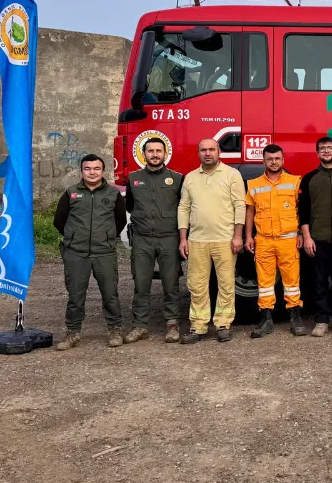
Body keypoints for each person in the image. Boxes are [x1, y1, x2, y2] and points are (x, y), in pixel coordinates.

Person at [52, 154, 127, 350]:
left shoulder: (113, 194)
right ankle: (72, 332)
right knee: (75, 295)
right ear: (81, 171)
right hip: (76, 253)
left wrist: (106, 237)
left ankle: (115, 330)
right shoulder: (71, 193)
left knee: (110, 293)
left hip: (104, 252)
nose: (92, 172)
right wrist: (76, 237)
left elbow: (120, 221)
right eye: (87, 169)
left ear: (103, 171)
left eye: (96, 169)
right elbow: (59, 221)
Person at [177, 138, 246, 344]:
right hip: (197, 240)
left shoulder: (232, 175)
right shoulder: (190, 177)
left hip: (225, 240)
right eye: (203, 150)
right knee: (197, 285)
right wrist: (183, 238)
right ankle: (198, 327)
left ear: (219, 152)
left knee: (226, 284)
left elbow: (239, 206)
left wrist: (237, 236)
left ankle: (223, 325)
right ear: (198, 153)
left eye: (211, 150)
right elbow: (183, 208)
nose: (208, 153)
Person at [124, 137, 184, 344]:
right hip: (142, 240)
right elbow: (130, 206)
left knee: (171, 283)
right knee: (141, 284)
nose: (155, 154)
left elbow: (183, 207)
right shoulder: (133, 178)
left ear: (165, 154)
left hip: (169, 238)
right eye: (151, 151)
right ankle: (140, 325)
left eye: (159, 151)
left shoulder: (177, 179)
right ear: (144, 154)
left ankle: (172, 324)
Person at [244, 144, 306, 339]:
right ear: (263, 161)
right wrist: (247, 236)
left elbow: (301, 210)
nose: (273, 162)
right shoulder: (253, 184)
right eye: (269, 159)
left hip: (288, 240)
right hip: (263, 240)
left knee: (292, 281)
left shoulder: (295, 181)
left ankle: (295, 317)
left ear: (283, 160)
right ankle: (266, 319)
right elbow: (249, 211)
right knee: (264, 283)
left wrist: (302, 234)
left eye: (277, 158)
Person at [299, 136, 332, 337]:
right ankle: (321, 321)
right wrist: (306, 237)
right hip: (317, 240)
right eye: (322, 149)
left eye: (329, 148)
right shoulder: (309, 178)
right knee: (319, 282)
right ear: (317, 153)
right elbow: (303, 211)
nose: (326, 151)